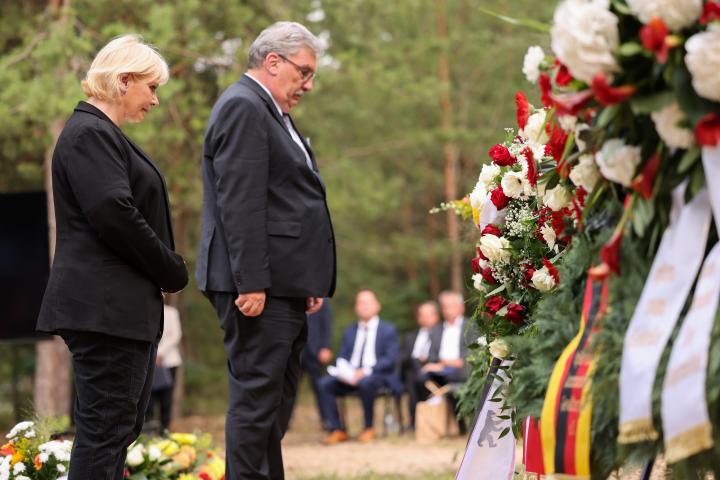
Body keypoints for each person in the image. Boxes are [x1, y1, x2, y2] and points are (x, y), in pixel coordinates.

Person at [36, 35, 188, 479]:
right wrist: (168, 267)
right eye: (151, 87)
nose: (155, 100)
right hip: (103, 311)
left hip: (117, 312)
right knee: (104, 434)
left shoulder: (102, 134)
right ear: (123, 81)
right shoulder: (88, 133)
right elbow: (113, 212)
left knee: (116, 432)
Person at [195, 21, 336, 480]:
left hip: (283, 284)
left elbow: (286, 201)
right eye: (304, 72)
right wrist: (251, 280)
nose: (308, 85)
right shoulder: (243, 106)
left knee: (274, 406)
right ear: (272, 62)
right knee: (258, 404)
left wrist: (307, 280)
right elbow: (241, 200)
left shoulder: (272, 112)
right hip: (257, 288)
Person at [318, 290, 400, 445]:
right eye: (360, 303)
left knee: (366, 382)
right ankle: (337, 429)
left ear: (377, 306)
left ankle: (369, 428)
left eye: (368, 302)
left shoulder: (388, 329)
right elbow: (342, 356)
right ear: (356, 308)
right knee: (324, 384)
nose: (364, 306)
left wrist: (365, 371)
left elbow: (390, 359)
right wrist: (347, 371)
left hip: (377, 376)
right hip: (350, 376)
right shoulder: (349, 331)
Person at [416, 291, 474, 432]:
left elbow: (472, 354)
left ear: (461, 307)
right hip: (441, 371)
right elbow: (432, 356)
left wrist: (447, 363)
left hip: (462, 371)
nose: (448, 310)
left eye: (452, 306)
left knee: (454, 379)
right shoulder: (436, 330)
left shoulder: (471, 326)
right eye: (445, 307)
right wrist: (435, 365)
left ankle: (461, 425)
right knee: (418, 378)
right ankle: (430, 425)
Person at [399, 301, 440, 430]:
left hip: (434, 373)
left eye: (429, 315)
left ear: (436, 316)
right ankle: (416, 421)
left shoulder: (442, 334)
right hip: (412, 373)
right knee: (412, 373)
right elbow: (402, 356)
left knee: (414, 376)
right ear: (418, 318)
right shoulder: (410, 337)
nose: (425, 318)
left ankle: (414, 421)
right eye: (422, 315)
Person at [294, 298, 334, 431]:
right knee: (289, 388)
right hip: (294, 351)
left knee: (321, 387)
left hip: (315, 352)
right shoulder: (291, 293)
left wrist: (326, 346)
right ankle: (284, 422)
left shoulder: (322, 297)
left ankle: (328, 421)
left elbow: (327, 324)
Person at [146, 301, 183, 433]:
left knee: (166, 400)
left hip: (169, 362)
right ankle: (148, 432)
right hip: (148, 361)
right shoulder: (145, 309)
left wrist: (160, 353)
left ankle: (164, 431)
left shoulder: (172, 313)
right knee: (148, 398)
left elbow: (175, 335)